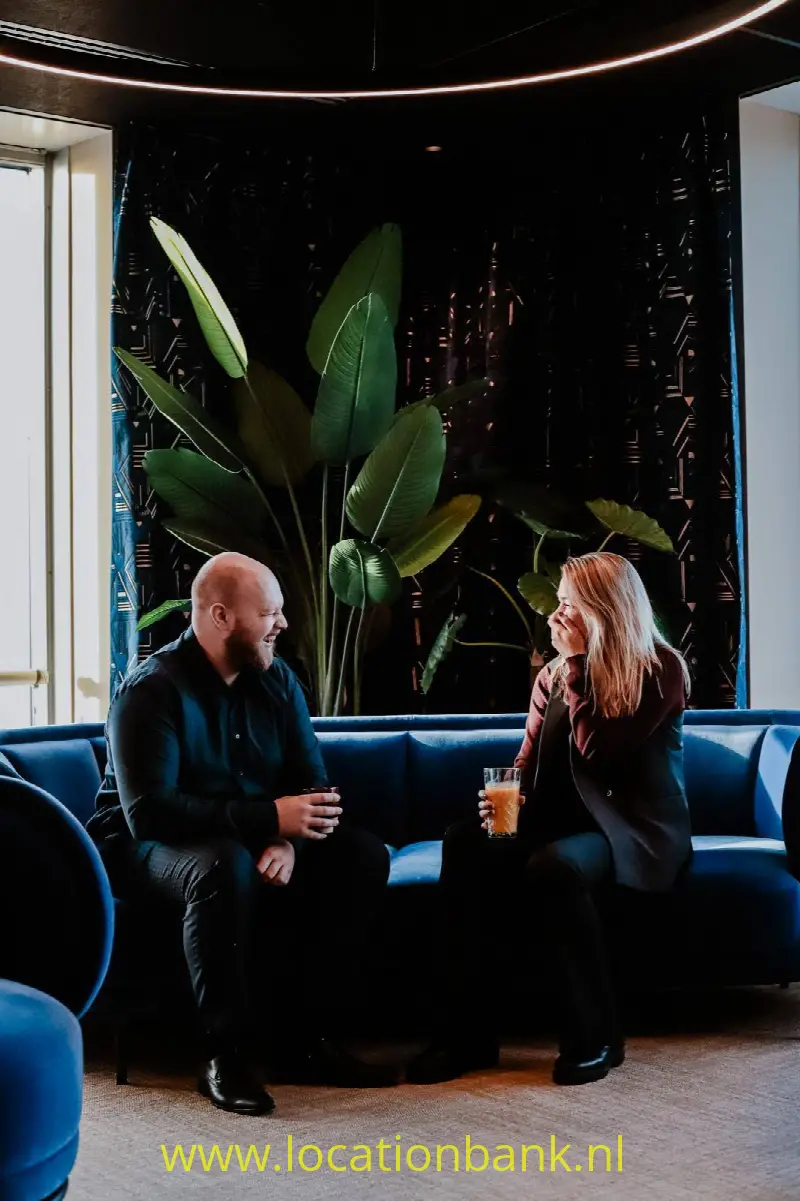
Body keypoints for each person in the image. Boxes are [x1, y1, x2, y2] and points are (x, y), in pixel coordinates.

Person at [88, 552, 396, 1115]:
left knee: (362, 855)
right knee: (222, 865)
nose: (282, 624)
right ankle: (222, 1055)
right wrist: (268, 821)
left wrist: (287, 840)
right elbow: (150, 814)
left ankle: (304, 1042)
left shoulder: (278, 680)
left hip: (243, 835)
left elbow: (313, 786)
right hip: (142, 847)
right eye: (270, 613)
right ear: (221, 616)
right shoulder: (150, 691)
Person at [407, 551, 692, 1087]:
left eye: (569, 605)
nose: (555, 616)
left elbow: (602, 753)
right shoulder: (554, 675)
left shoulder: (659, 668)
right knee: (465, 842)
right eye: (558, 603)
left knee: (555, 867)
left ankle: (596, 1036)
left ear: (605, 609)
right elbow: (528, 757)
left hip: (627, 830)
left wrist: (579, 665)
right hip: (559, 820)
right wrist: (506, 800)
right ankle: (465, 1037)